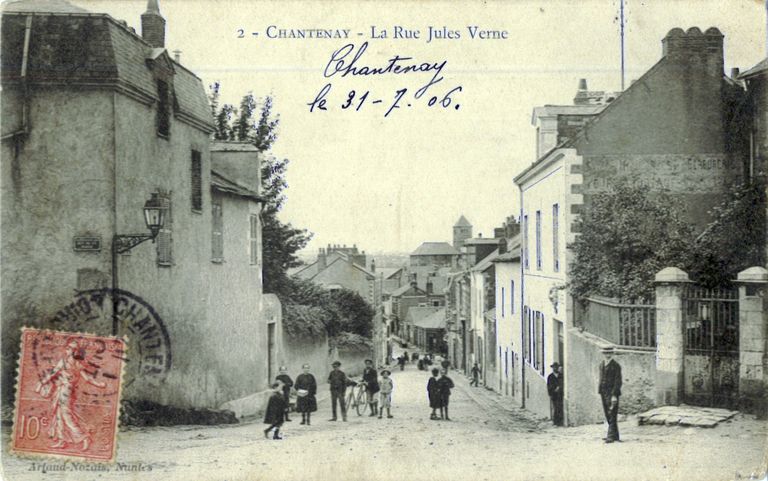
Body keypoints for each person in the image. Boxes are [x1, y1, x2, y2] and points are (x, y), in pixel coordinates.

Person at [35, 339, 107, 450]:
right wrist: (41, 383)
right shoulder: (64, 361)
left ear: (75, 351)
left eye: (70, 348)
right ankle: (62, 440)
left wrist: (99, 384)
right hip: (61, 389)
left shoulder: (77, 363)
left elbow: (87, 378)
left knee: (66, 415)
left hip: (66, 391)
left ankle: (84, 437)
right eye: (67, 347)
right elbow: (53, 374)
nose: (67, 350)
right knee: (58, 415)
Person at [598, 346, 622, 443]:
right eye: (605, 353)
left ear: (612, 354)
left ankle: (611, 436)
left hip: (611, 392)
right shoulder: (601, 364)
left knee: (612, 413)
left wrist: (614, 395)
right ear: (603, 354)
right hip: (603, 392)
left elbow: (618, 381)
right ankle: (615, 435)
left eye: (609, 353)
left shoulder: (616, 366)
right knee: (607, 413)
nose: (607, 355)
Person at [547, 362, 564, 426]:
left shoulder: (561, 375)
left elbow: (562, 383)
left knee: (559, 407)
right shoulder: (550, 376)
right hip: (554, 394)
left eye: (556, 367)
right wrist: (553, 390)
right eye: (554, 367)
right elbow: (549, 385)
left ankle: (560, 421)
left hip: (560, 394)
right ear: (552, 368)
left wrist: (560, 388)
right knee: (555, 407)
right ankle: (556, 421)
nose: (555, 368)